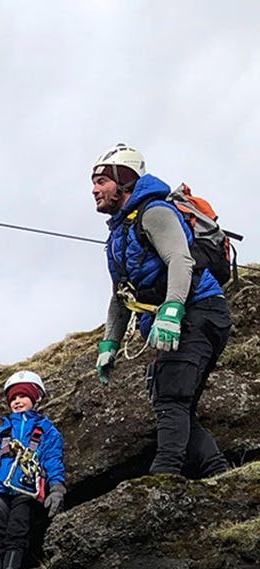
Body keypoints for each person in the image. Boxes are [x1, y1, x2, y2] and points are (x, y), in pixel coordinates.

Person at [91, 143, 231, 477]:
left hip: (198, 311)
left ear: (123, 181)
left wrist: (171, 311)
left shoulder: (154, 213)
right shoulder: (117, 237)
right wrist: (109, 344)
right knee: (178, 402)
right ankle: (218, 470)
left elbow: (179, 259)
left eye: (101, 181)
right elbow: (120, 295)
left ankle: (165, 473)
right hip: (188, 315)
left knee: (170, 398)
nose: (94, 189)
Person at [0, 371, 66, 569]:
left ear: (35, 397)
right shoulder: (1, 432)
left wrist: (56, 488)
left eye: (23, 396)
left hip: (26, 490)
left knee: (17, 532)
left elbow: (53, 459)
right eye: (13, 398)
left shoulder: (47, 431)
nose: (17, 401)